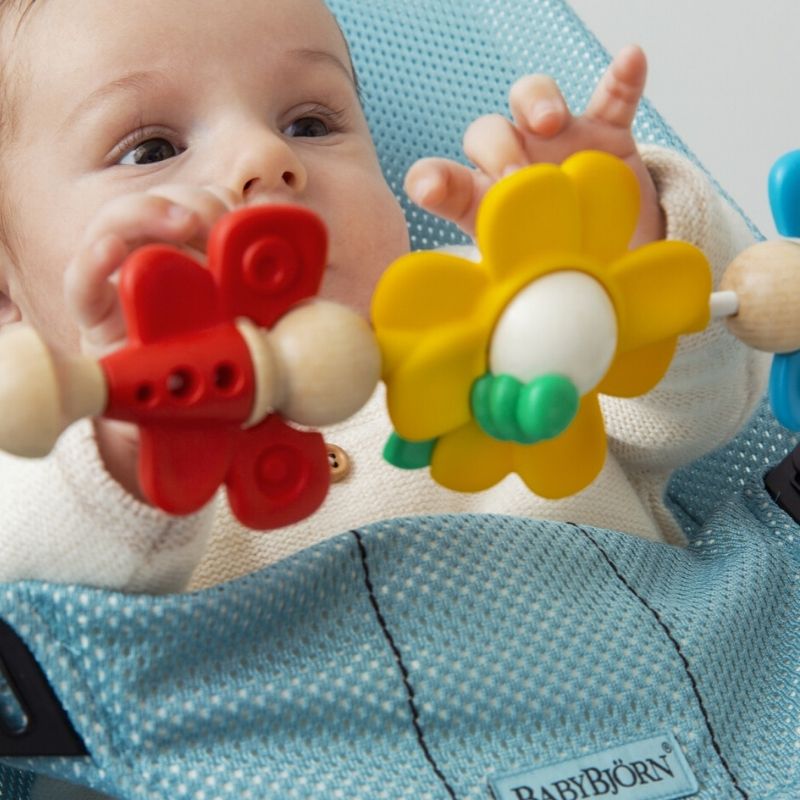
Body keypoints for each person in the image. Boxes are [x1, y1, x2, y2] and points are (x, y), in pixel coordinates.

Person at [0, 0, 766, 594]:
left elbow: (695, 406)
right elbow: (37, 595)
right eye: (152, 149)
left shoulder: (504, 315)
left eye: (309, 121)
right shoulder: (48, 464)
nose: (264, 159)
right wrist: (132, 449)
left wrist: (620, 256)